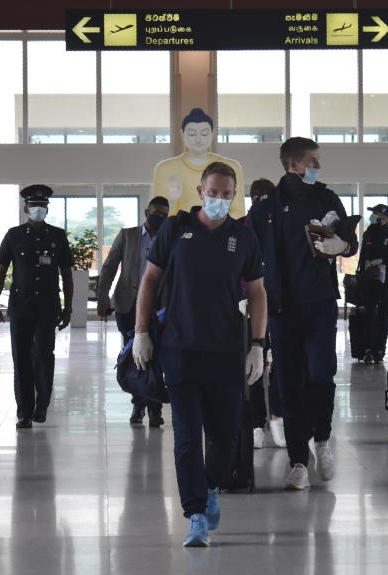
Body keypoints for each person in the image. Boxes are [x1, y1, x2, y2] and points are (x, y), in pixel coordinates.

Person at [132, 162, 267, 547]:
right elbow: (150, 281)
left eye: (227, 195)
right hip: (179, 349)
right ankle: (195, 515)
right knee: (187, 437)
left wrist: (257, 344)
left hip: (226, 351)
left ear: (234, 195)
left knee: (224, 438)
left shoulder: (243, 237)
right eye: (214, 192)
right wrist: (142, 333)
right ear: (200, 191)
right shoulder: (175, 230)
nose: (220, 200)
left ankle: (209, 488)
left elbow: (257, 292)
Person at [247, 137, 359, 490]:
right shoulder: (266, 207)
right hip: (281, 309)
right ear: (294, 165)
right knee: (288, 383)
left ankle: (322, 441)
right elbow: (247, 256)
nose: (318, 166)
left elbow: (350, 239)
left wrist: (342, 245)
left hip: (321, 304)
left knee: (321, 375)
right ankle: (298, 460)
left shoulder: (326, 198)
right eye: (313, 160)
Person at [0, 185, 74, 429]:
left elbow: (67, 274)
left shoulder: (58, 236)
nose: (38, 210)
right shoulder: (13, 235)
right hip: (20, 308)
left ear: (47, 208)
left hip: (48, 308)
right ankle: (24, 411)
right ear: (25, 209)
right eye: (34, 206)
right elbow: (0, 271)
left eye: (42, 206)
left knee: (43, 356)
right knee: (21, 359)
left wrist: (68, 308)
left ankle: (42, 406)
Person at [97, 195, 170, 427]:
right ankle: (138, 406)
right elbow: (109, 267)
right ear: (147, 213)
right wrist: (102, 298)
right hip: (128, 305)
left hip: (157, 307)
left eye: (165, 215)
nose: (160, 218)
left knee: (156, 356)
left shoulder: (168, 238)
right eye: (157, 213)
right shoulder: (127, 235)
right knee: (133, 355)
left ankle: (155, 408)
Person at [240, 178, 286, 449]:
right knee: (253, 364)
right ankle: (256, 423)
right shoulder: (244, 225)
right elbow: (241, 265)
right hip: (253, 305)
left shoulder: (281, 223)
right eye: (256, 197)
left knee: (280, 364)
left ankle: (277, 416)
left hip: (280, 303)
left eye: (265, 196)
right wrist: (243, 295)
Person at [152, 107, 246, 218]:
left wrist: (212, 224)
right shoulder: (165, 168)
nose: (198, 139)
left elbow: (239, 214)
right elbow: (157, 218)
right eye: (192, 134)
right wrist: (172, 202)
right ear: (182, 134)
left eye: (204, 134)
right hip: (182, 233)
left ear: (213, 133)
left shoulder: (231, 166)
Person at [355, 204, 388, 364]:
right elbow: (362, 256)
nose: (372, 217)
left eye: (375, 214)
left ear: (383, 217)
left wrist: (383, 261)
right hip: (369, 282)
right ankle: (367, 349)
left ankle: (379, 350)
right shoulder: (368, 234)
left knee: (383, 318)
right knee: (369, 315)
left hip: (387, 283)